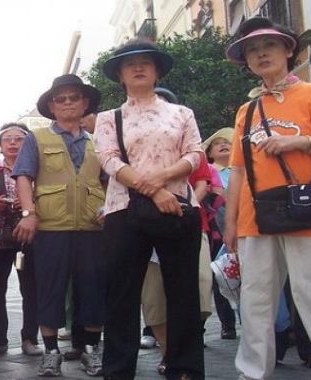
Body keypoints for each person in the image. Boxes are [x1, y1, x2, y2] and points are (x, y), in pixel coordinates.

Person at [223, 17, 311, 379]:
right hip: (255, 216)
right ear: (246, 60)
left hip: (309, 210)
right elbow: (236, 170)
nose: (261, 53)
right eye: (252, 49)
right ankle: (252, 373)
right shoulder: (245, 111)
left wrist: (302, 142)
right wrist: (231, 223)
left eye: (269, 45)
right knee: (256, 300)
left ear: (287, 50)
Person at [94, 39, 205, 380]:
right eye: (130, 64)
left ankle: (183, 368)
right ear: (121, 76)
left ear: (157, 71)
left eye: (146, 62)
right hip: (123, 211)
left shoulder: (181, 113)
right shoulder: (108, 118)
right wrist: (155, 190)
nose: (138, 68)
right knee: (121, 294)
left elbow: (195, 154)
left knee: (183, 290)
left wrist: (163, 178)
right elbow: (109, 159)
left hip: (178, 209)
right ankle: (118, 369)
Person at [13, 74, 106, 377]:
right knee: (50, 290)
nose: (67, 103)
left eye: (73, 97)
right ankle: (51, 352)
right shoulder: (36, 138)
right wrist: (29, 212)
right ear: (52, 106)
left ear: (85, 103)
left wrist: (109, 210)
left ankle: (91, 350)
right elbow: (24, 176)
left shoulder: (99, 141)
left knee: (93, 289)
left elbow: (109, 181)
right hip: (51, 226)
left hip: (93, 226)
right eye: (60, 99)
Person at [0, 122, 42, 357]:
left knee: (31, 289)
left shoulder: (38, 170)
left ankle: (30, 338)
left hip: (27, 237)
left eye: (19, 139)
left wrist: (30, 204)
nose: (12, 143)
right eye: (7, 139)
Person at [202, 127, 237, 339]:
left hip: (244, 228)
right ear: (210, 152)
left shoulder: (242, 170)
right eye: (217, 143)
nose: (223, 145)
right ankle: (227, 324)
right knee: (219, 275)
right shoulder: (208, 171)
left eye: (228, 142)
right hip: (217, 229)